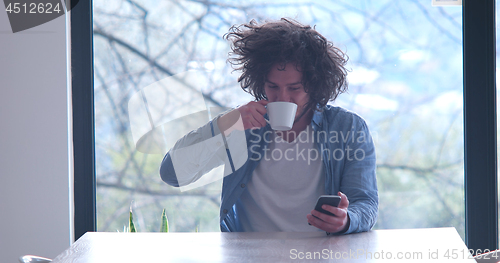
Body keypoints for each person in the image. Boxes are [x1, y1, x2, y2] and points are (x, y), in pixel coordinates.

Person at [160, 18, 378, 235]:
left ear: (314, 84)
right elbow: (173, 174)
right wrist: (223, 125)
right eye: (273, 86)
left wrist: (347, 220)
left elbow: (365, 203)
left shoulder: (347, 128)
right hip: (248, 255)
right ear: (260, 82)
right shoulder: (241, 123)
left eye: (294, 88)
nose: (282, 98)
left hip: (320, 255)